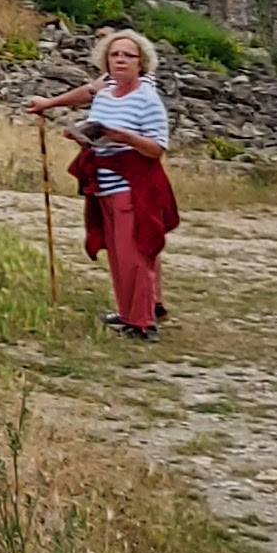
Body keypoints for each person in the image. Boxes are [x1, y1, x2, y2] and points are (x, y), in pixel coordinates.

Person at [33, 28, 177, 337]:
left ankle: (142, 322)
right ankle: (128, 313)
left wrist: (125, 137)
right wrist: (81, 134)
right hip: (103, 182)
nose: (120, 60)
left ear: (141, 62)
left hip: (133, 184)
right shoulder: (106, 92)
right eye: (115, 55)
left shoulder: (147, 98)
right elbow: (89, 103)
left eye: (128, 55)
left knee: (135, 252)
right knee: (118, 252)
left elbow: (156, 148)